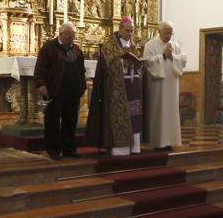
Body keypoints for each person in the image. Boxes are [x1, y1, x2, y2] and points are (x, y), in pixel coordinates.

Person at [85, 17, 143, 156]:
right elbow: (107, 66)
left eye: (132, 31)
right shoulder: (109, 45)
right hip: (117, 88)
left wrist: (138, 64)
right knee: (120, 116)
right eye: (127, 31)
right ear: (120, 29)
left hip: (133, 87)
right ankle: (120, 148)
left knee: (134, 115)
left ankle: (135, 147)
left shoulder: (133, 45)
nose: (130, 34)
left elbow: (138, 61)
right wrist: (122, 64)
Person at [34, 22, 87, 160]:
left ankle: (69, 149)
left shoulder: (77, 50)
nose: (72, 38)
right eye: (69, 35)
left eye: (73, 35)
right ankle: (53, 150)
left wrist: (82, 86)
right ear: (61, 33)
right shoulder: (49, 48)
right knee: (52, 121)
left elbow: (81, 70)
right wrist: (41, 85)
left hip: (72, 91)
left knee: (70, 121)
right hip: (54, 90)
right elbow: (40, 68)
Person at [143, 21, 187, 150]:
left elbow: (183, 60)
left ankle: (170, 141)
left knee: (170, 112)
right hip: (157, 86)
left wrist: (172, 56)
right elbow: (147, 63)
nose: (169, 35)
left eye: (171, 33)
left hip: (172, 85)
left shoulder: (175, 46)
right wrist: (162, 56)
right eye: (167, 32)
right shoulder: (150, 45)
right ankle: (157, 142)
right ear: (159, 31)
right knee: (158, 111)